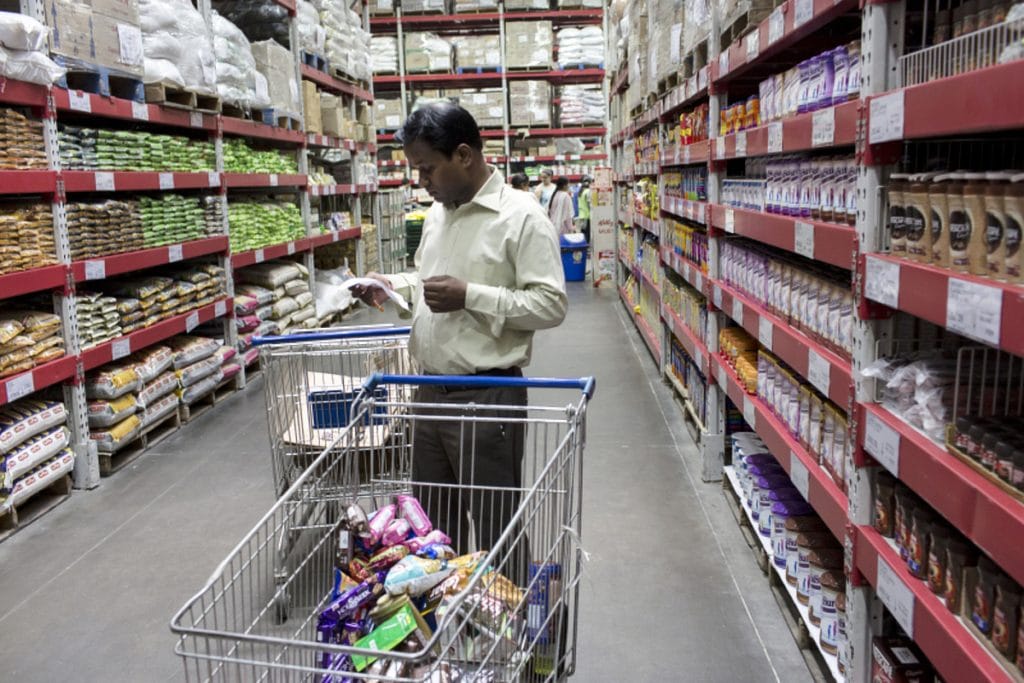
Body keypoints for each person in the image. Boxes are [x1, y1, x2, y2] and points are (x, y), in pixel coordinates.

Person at [351, 103, 568, 573]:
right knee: (430, 528)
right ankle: (447, 622)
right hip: (430, 395)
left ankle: (505, 631)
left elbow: (551, 304)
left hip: (487, 397)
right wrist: (393, 286)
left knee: (494, 527)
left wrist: (472, 296)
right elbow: (430, 282)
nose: (422, 180)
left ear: (465, 155)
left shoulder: (521, 218)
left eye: (428, 168)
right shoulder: (437, 213)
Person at [576, 175, 592, 243]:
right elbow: (589, 205)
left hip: (581, 216)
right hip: (587, 217)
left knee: (584, 236)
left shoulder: (580, 192)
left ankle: (584, 251)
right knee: (588, 236)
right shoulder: (588, 191)